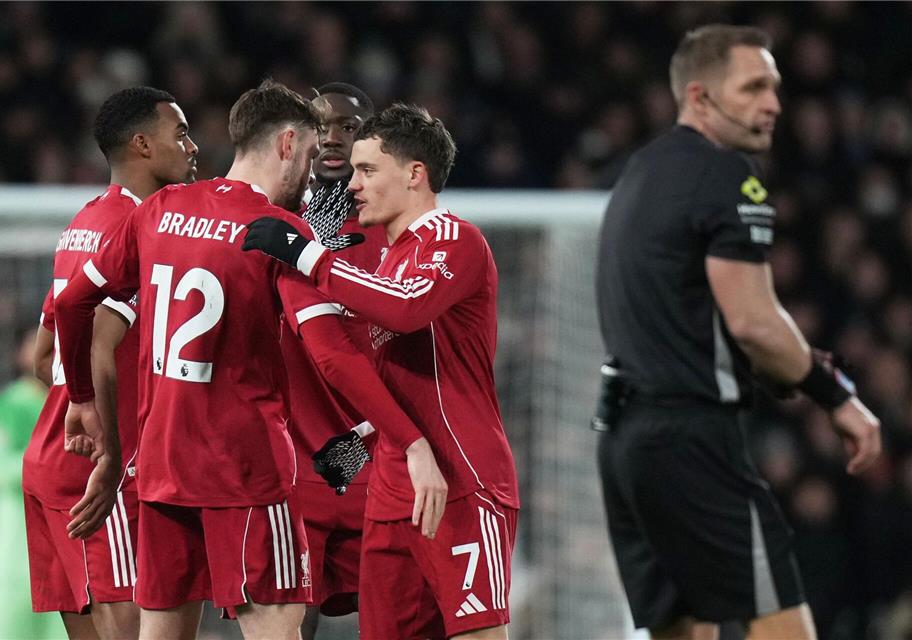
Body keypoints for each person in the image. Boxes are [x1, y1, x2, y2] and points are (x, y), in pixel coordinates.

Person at [53, 80, 447, 640]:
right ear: (287, 143)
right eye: (311, 155)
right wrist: (408, 440)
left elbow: (72, 302)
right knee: (279, 627)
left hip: (163, 469)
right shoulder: (277, 232)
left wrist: (82, 399)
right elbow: (331, 354)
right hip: (248, 471)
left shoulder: (161, 209)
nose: (314, 175)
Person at [593, 25, 882, 640]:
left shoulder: (639, 173)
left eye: (774, 88)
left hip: (623, 443)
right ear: (699, 97)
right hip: (691, 440)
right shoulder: (728, 176)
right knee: (784, 631)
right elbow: (754, 322)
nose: (773, 103)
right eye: (753, 87)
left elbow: (690, 316)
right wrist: (838, 397)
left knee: (686, 632)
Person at [243, 103, 521, 640]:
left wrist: (309, 256)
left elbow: (405, 308)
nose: (353, 186)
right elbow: (398, 375)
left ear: (415, 174)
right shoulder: (389, 261)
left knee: (476, 633)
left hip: (462, 477)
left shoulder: (455, 239)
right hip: (395, 487)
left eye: (368, 171)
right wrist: (366, 437)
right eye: (352, 173)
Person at [22, 86, 198, 640]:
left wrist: (69, 400)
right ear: (143, 145)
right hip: (100, 468)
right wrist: (101, 424)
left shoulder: (84, 219)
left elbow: (42, 352)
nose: (192, 147)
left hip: (50, 458)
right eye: (181, 133)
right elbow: (98, 340)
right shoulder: (143, 230)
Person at [283, 81, 382, 639]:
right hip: (293, 451)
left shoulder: (388, 226)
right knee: (297, 609)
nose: (335, 137)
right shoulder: (276, 219)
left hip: (368, 447)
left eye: (350, 126)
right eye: (323, 125)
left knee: (392, 604)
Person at [0, 328, 67, 640]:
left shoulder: (78, 407)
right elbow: (1, 471)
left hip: (69, 558)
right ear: (21, 353)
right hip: (14, 559)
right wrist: (63, 461)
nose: (53, 350)